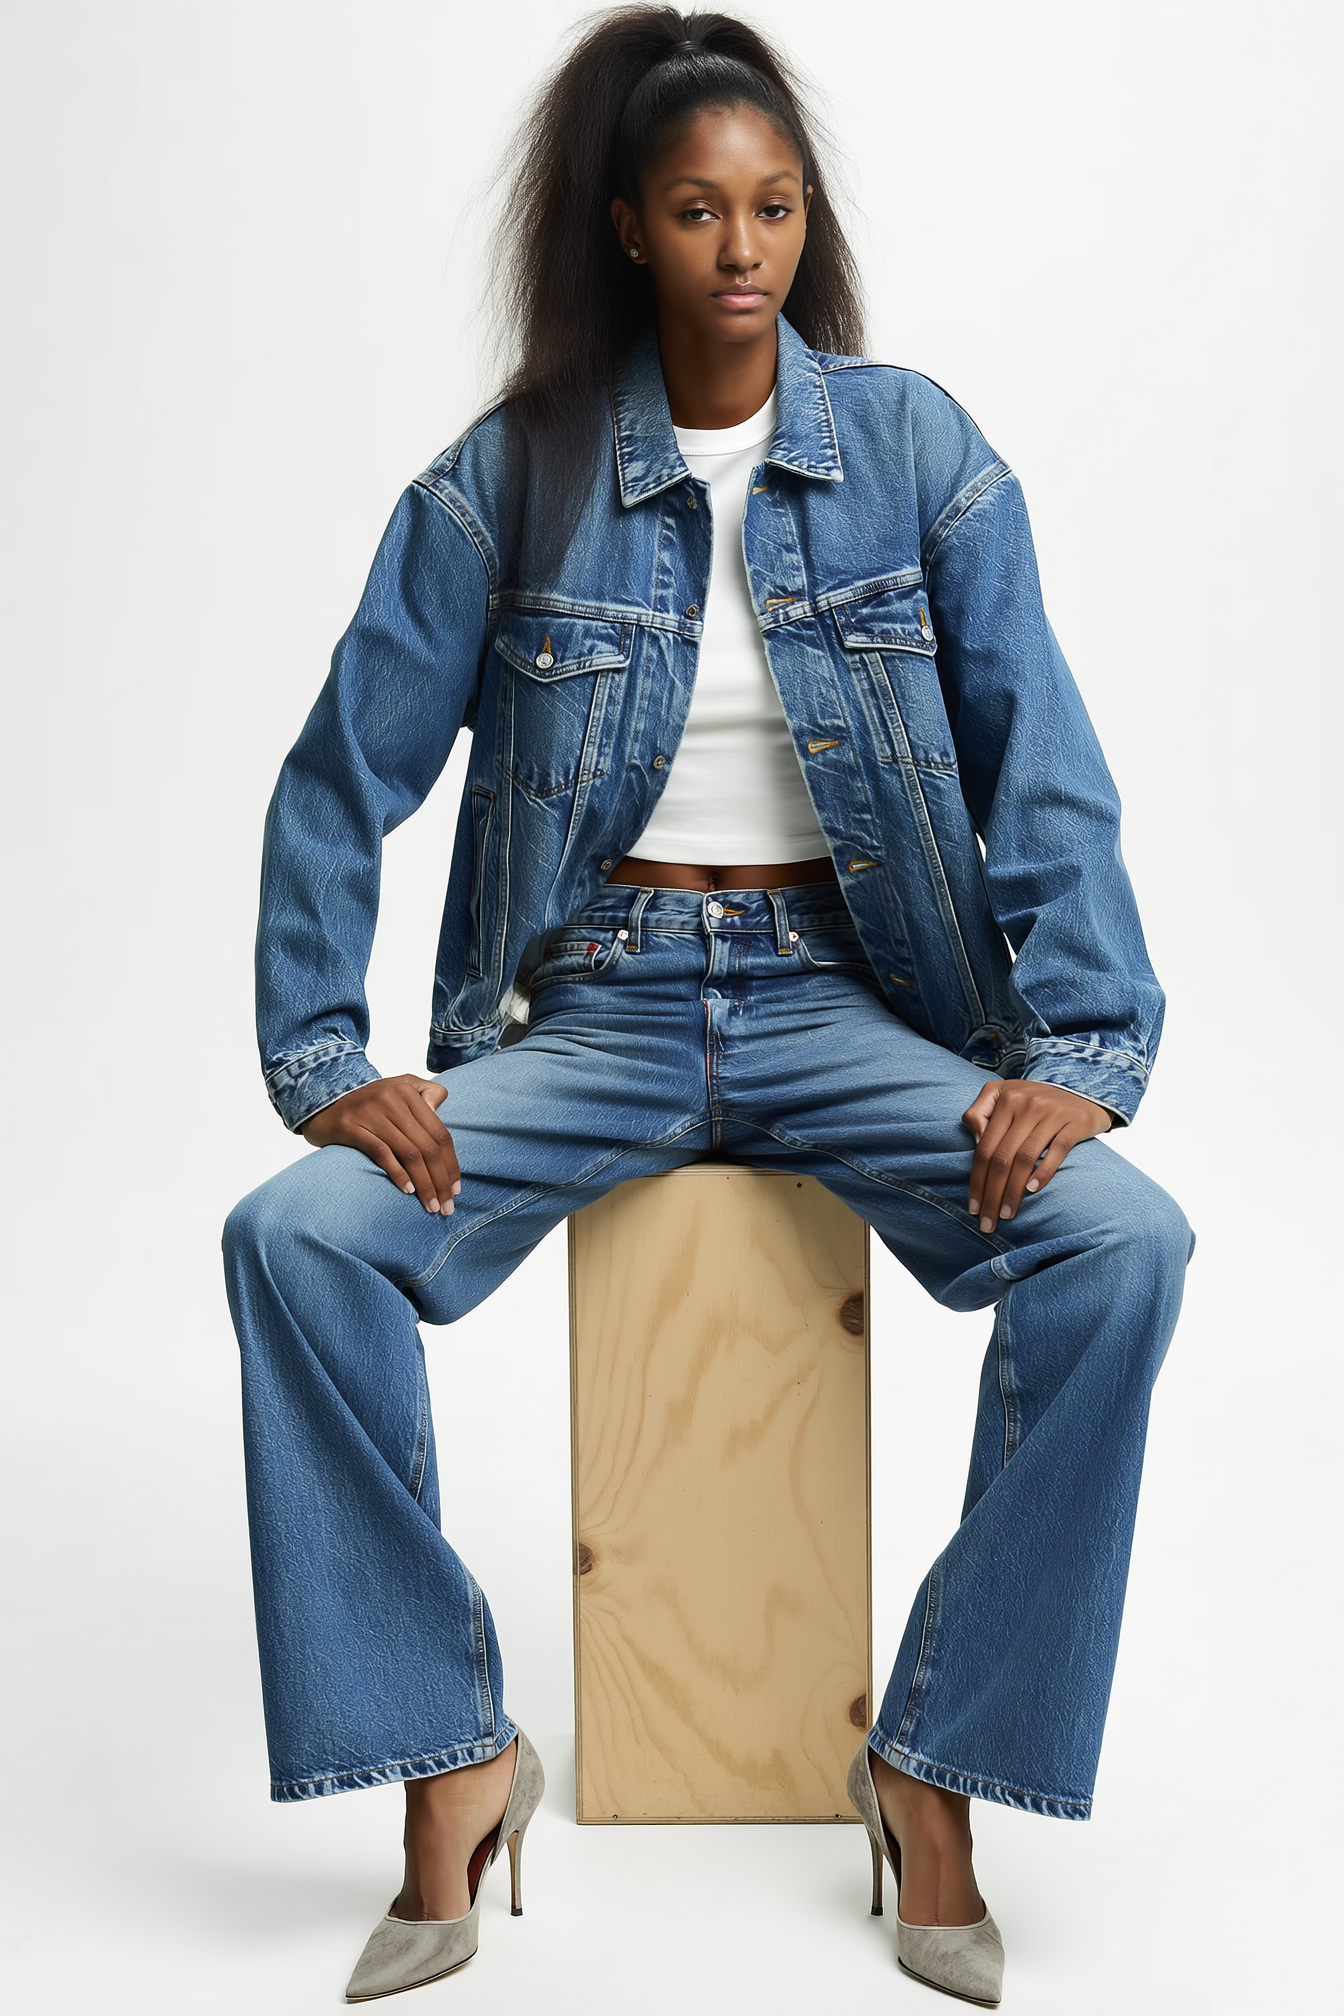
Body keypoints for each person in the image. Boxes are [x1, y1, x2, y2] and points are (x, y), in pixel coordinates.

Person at [222, 8, 1192, 2006]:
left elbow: (1044, 766)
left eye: (772, 205)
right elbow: (341, 772)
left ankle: (932, 1767)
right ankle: (449, 1757)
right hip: (600, 1014)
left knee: (1127, 1249)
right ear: (627, 232)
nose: (742, 245)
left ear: (801, 221)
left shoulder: (919, 449)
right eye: (696, 209)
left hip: (850, 1003)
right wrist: (330, 1062)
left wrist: (1081, 1058)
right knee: (294, 1244)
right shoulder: (515, 478)